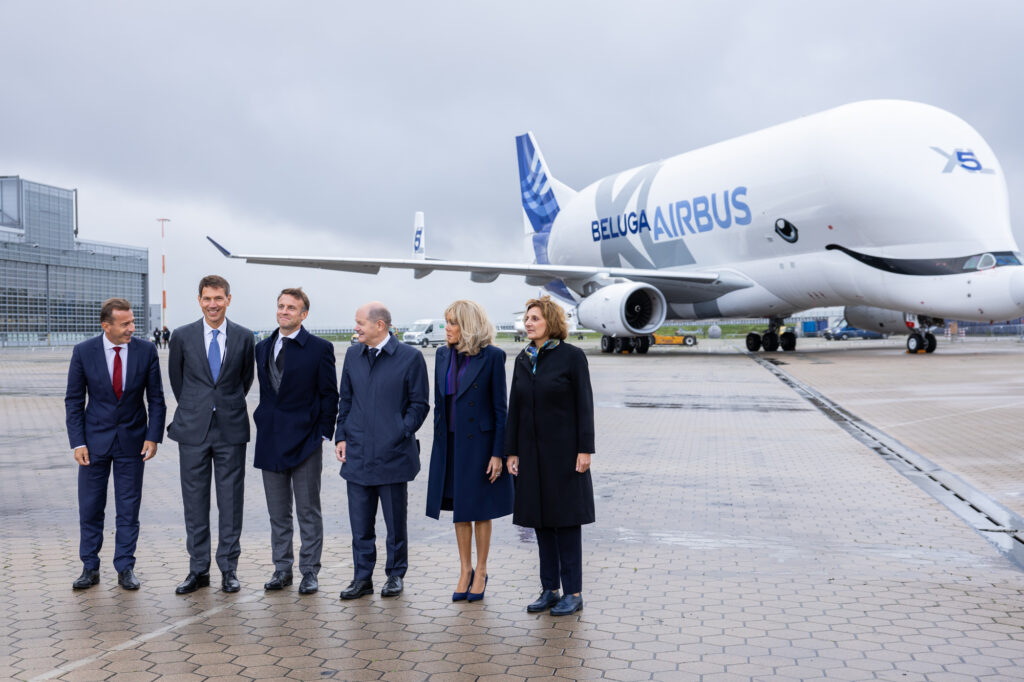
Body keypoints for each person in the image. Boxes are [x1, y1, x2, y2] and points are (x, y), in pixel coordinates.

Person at [65, 298, 165, 590]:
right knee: (91, 506)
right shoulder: (84, 352)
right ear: (105, 326)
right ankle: (89, 567)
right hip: (93, 443)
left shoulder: (145, 351)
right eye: (125, 324)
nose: (132, 328)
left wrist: (153, 436)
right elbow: (73, 400)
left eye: (133, 322)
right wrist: (78, 442)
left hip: (133, 443)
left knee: (128, 507)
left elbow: (156, 398)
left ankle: (125, 567)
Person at [505, 295, 595, 616]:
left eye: (534, 318)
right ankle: (550, 589)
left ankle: (573, 591)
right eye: (527, 318)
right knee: (540, 522)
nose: (528, 323)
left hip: (566, 454)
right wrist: (511, 451)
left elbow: (585, 406)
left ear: (551, 323)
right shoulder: (523, 358)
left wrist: (585, 449)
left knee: (567, 522)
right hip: (531, 455)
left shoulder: (572, 357)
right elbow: (514, 408)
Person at [334, 301, 429, 600]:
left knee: (394, 523)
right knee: (360, 524)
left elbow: (419, 405)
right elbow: (345, 400)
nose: (355, 328)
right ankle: (362, 578)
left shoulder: (410, 358)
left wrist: (399, 431)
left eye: (360, 322)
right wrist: (341, 437)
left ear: (380, 325)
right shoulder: (352, 354)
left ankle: (395, 575)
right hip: (358, 454)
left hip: (393, 455)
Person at [167, 275, 255, 594]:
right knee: (195, 502)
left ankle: (229, 569)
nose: (213, 304)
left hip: (230, 429)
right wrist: (198, 408)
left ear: (228, 299)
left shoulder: (245, 337)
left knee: (231, 503)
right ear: (199, 300)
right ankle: (198, 569)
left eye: (218, 298)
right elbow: (178, 381)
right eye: (207, 298)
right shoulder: (182, 336)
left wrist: (222, 405)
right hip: (193, 431)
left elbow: (245, 381)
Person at [425, 300, 512, 601]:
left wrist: (497, 453)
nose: (446, 328)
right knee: (459, 511)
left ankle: (482, 570)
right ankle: (465, 570)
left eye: (452, 322)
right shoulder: (440, 355)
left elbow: (501, 410)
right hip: (449, 444)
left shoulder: (492, 357)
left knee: (479, 510)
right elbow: (440, 404)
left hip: (479, 446)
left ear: (468, 326)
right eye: (445, 321)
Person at [253, 288, 338, 595]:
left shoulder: (319, 348)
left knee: (308, 510)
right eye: (281, 306)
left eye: (291, 308)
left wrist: (323, 432)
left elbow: (330, 394)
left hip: (305, 440)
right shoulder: (262, 347)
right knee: (278, 512)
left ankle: (310, 571)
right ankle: (281, 569)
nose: (284, 311)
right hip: (270, 438)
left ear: (303, 314)